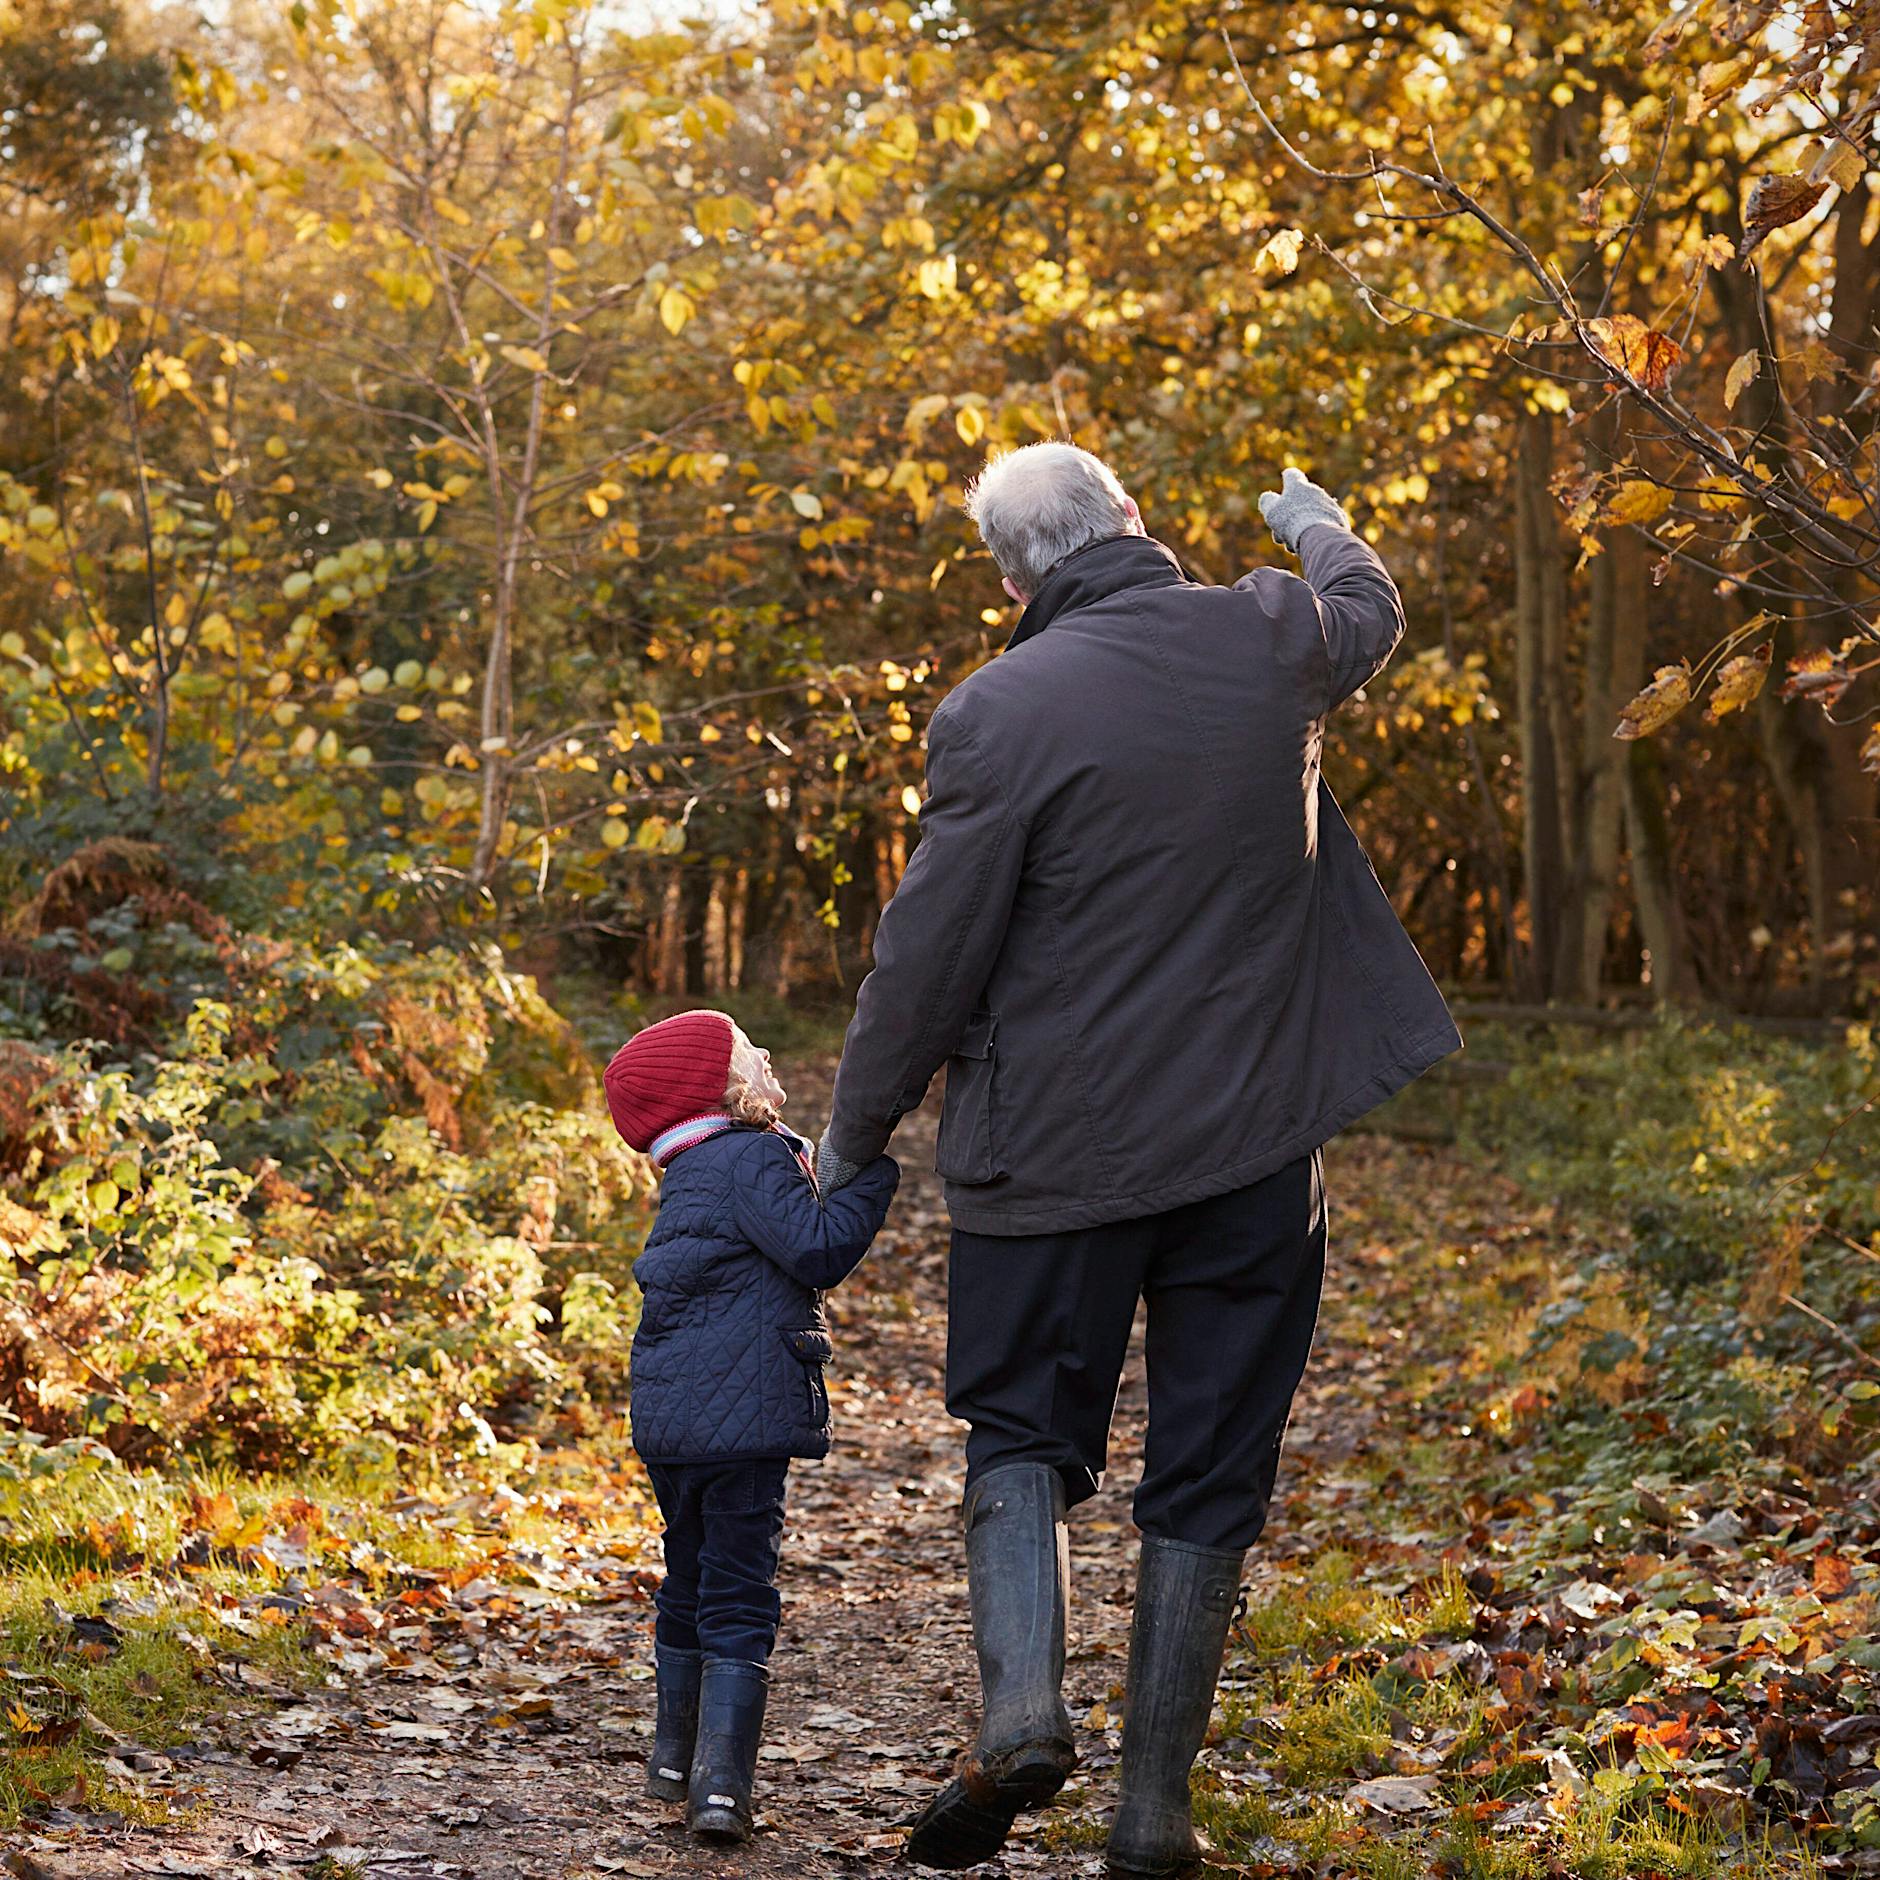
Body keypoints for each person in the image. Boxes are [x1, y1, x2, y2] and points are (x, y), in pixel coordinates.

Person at [814, 447, 1460, 1876]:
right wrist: (1315, 523)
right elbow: (1368, 607)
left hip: (1055, 1161)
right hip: (1254, 1154)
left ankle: (1027, 1708)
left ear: (1009, 576)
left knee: (1021, 1428)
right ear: (1128, 521)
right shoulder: (1268, 632)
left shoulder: (993, 713)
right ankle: (1154, 1811)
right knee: (1213, 1461)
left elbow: (924, 960)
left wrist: (852, 1133)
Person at [604, 1009, 899, 1846]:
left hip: (670, 1419)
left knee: (689, 1575)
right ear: (723, 1092)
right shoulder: (751, 1157)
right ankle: (723, 1789)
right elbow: (816, 1251)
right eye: (749, 1052)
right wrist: (874, 1178)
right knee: (740, 1589)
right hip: (745, 1422)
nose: (767, 1056)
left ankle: (673, 1760)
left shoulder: (694, 1171)